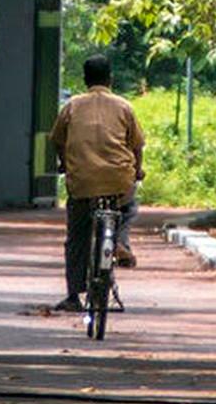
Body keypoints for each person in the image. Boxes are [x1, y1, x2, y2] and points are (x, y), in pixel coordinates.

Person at [50, 54, 145, 311]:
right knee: (128, 207)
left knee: (77, 236)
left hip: (81, 181)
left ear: (85, 79)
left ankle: (73, 295)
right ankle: (121, 242)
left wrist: (65, 163)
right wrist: (138, 170)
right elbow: (137, 145)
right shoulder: (124, 106)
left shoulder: (72, 106)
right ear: (110, 79)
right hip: (118, 180)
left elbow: (57, 140)